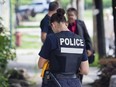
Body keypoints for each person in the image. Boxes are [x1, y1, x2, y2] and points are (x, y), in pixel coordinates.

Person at [38, 8, 89, 87]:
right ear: (66, 23)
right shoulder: (80, 40)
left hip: (55, 82)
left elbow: (40, 64)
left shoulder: (52, 38)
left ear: (53, 25)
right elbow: (85, 70)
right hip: (75, 83)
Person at [66, 7, 94, 82]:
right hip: (69, 52)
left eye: (72, 15)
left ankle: (79, 83)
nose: (70, 17)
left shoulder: (81, 24)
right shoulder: (65, 24)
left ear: (76, 16)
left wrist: (90, 49)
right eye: (68, 15)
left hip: (80, 51)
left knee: (80, 70)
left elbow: (87, 37)